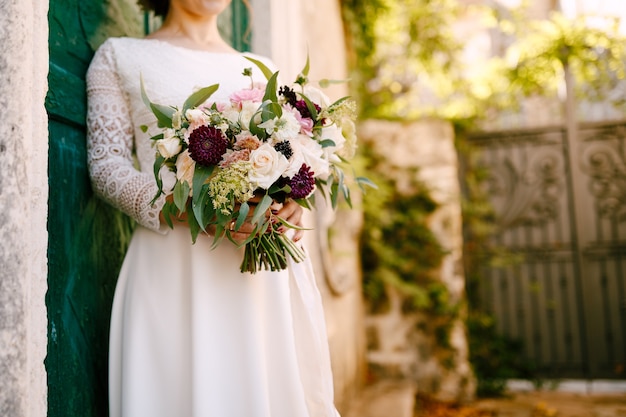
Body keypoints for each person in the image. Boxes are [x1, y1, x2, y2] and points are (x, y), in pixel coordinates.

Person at [85, 1, 340, 416]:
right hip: (172, 268)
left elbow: (291, 154)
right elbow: (106, 167)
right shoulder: (119, 56)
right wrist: (193, 212)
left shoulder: (261, 67)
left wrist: (294, 200)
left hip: (257, 279)